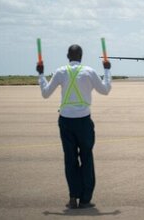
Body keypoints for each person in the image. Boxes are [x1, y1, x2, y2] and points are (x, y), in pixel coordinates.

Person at [36, 44, 111, 209]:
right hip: (84, 121)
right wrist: (107, 70)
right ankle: (85, 199)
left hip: (66, 121)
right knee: (86, 158)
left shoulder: (61, 71)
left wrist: (41, 74)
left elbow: (45, 93)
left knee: (70, 160)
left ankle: (73, 196)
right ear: (82, 56)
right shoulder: (90, 72)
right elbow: (105, 90)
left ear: (67, 56)